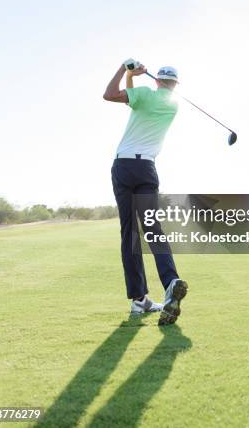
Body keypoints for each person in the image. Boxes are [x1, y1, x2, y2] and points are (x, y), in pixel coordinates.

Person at [103, 60, 188, 325]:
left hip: (124, 166)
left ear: (156, 80)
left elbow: (109, 94)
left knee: (129, 232)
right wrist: (133, 78)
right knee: (152, 228)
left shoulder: (145, 94)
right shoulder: (173, 105)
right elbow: (132, 101)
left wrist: (125, 70)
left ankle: (139, 299)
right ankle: (170, 281)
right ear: (174, 85)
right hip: (147, 169)